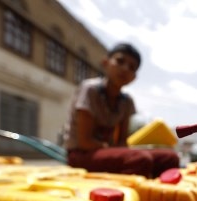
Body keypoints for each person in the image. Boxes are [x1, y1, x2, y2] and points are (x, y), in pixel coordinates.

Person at [63, 43, 179, 178]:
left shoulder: (126, 102)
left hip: (105, 152)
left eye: (131, 67)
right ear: (106, 62)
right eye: (120, 61)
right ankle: (130, 195)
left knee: (170, 158)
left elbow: (123, 140)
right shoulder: (90, 90)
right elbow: (85, 142)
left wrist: (119, 150)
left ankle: (159, 195)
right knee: (140, 159)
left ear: (134, 77)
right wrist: (116, 150)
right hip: (80, 154)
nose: (125, 69)